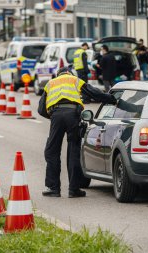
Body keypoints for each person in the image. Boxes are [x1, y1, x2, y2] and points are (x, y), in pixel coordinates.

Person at [42, 67, 116, 198]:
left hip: (56, 115)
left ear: (58, 74)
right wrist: (112, 99)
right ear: (69, 73)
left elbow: (41, 108)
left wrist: (53, 116)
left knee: (52, 151)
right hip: (72, 115)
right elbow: (94, 93)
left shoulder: (50, 83)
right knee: (74, 151)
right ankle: (73, 189)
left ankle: (53, 189)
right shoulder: (75, 80)